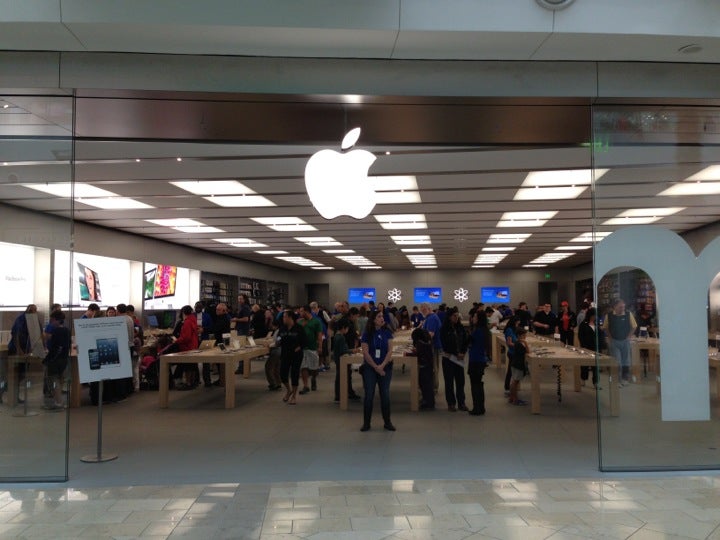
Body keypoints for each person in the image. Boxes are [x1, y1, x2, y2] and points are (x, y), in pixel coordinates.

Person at [360, 310, 395, 432]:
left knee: (385, 395)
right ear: (373, 319)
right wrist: (376, 367)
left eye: (382, 316)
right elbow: (365, 352)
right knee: (369, 395)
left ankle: (387, 422)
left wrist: (382, 365)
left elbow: (390, 350)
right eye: (379, 316)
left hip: (385, 368)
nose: (382, 318)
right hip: (370, 368)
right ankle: (366, 423)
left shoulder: (387, 332)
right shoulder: (367, 334)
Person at [439, 307, 468, 412]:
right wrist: (456, 353)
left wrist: (463, 352)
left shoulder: (461, 328)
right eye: (454, 316)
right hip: (448, 358)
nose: (456, 318)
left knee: (460, 381)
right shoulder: (444, 329)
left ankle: (461, 402)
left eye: (457, 316)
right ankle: (451, 403)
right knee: (449, 382)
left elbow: (465, 341)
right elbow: (445, 344)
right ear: (449, 317)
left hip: (459, 359)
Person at [603, 298, 637, 385]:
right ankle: (617, 380)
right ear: (615, 307)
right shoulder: (609, 316)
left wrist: (629, 336)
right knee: (617, 361)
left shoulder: (628, 314)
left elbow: (634, 326)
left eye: (623, 307)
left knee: (626, 361)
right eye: (620, 307)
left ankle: (624, 379)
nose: (622, 309)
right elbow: (605, 327)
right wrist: (610, 337)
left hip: (625, 341)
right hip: (614, 341)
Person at [42, 310, 71, 411]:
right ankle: (58, 401)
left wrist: (48, 359)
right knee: (59, 379)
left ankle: (59, 403)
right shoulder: (67, 330)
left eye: (52, 320)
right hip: (63, 359)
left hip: (55, 359)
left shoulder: (56, 331)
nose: (51, 322)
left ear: (55, 320)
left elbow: (55, 347)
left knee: (53, 380)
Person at [278, 309, 305, 405]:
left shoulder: (299, 328)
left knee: (294, 374)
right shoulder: (282, 328)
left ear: (290, 318)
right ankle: (289, 390)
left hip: (296, 355)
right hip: (285, 354)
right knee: (283, 374)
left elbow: (304, 341)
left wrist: (299, 347)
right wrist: (276, 342)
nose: (283, 318)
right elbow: (279, 338)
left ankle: (294, 396)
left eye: (285, 316)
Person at [467, 309, 491, 415]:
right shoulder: (485, 330)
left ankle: (477, 408)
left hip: (475, 359)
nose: (473, 319)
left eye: (475, 317)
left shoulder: (477, 331)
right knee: (479, 384)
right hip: (481, 359)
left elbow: (470, 341)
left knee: (475, 384)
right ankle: (481, 407)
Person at [172, 305, 199, 390]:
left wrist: (176, 341)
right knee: (192, 365)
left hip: (187, 347)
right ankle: (192, 382)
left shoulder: (187, 322)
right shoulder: (193, 320)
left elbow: (186, 337)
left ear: (183, 312)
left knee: (188, 366)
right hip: (194, 345)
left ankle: (188, 383)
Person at [298, 305, 322, 394]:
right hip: (303, 348)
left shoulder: (316, 322)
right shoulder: (300, 322)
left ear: (307, 311)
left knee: (314, 367)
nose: (300, 313)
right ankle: (305, 386)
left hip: (313, 347)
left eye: (301, 311)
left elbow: (319, 334)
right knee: (303, 366)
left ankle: (314, 378)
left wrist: (320, 346)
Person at [419, 302, 442, 393]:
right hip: (431, 346)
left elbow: (430, 334)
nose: (422, 311)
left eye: (423, 309)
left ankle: (433, 388)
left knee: (434, 367)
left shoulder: (432, 318)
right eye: (421, 310)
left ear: (429, 309)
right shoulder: (429, 318)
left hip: (433, 346)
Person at [411, 327, 435, 410]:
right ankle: (428, 401)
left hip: (425, 366)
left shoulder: (421, 343)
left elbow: (419, 354)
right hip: (428, 365)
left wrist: (414, 352)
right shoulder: (426, 340)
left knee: (425, 385)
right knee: (427, 384)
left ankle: (428, 403)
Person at [578, 307, 600, 388]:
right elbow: (580, 336)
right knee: (585, 365)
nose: (595, 317)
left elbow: (600, 335)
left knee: (596, 366)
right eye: (594, 315)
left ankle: (596, 382)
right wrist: (583, 346)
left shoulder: (597, 323)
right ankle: (583, 379)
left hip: (596, 348)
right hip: (586, 347)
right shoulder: (583, 324)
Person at [332, 318, 353, 402]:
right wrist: (352, 350)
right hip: (341, 360)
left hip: (338, 360)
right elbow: (343, 350)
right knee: (341, 378)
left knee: (339, 377)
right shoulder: (340, 337)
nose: (347, 330)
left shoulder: (337, 336)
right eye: (347, 328)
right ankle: (339, 396)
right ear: (344, 327)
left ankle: (338, 395)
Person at [509, 328, 530, 406]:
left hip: (515, 363)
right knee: (516, 381)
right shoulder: (519, 344)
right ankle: (515, 399)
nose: (525, 337)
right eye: (523, 335)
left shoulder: (517, 343)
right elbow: (528, 351)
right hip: (518, 364)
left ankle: (511, 397)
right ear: (519, 335)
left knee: (514, 380)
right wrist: (525, 343)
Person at [503, 316, 521, 396]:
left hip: (515, 353)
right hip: (512, 353)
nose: (518, 324)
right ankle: (507, 389)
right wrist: (519, 345)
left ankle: (513, 389)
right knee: (510, 372)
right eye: (517, 323)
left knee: (514, 372)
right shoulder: (509, 330)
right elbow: (509, 343)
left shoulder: (513, 329)